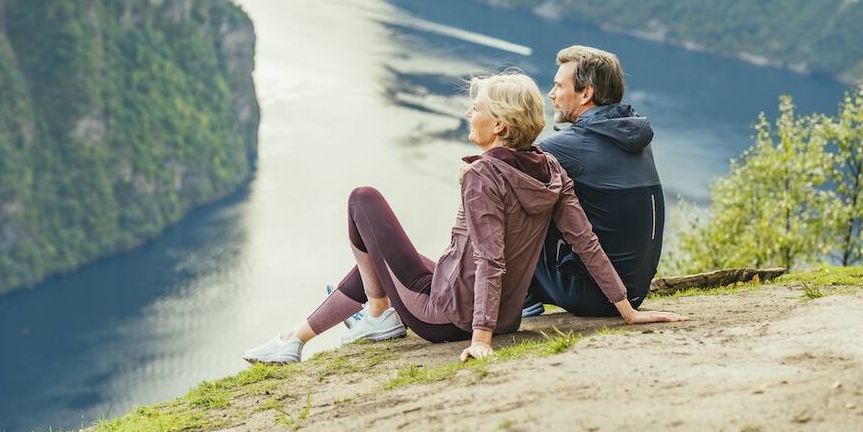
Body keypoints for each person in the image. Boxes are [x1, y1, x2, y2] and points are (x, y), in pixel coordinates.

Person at [243, 71, 685, 365]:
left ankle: (367, 319)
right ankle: (299, 339)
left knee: (363, 199)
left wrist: (480, 339)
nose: (468, 113)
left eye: (477, 109)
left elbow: (491, 259)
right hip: (501, 309)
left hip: (447, 315)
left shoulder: (484, 176)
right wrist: (625, 309)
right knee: (387, 257)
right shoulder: (551, 171)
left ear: (501, 125)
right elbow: (586, 241)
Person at [524, 46, 665, 318]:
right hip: (634, 292)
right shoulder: (635, 137)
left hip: (593, 295)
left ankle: (523, 297)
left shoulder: (569, 147)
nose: (551, 94)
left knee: (517, 195)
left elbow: (498, 174)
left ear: (585, 93)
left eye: (558, 86)